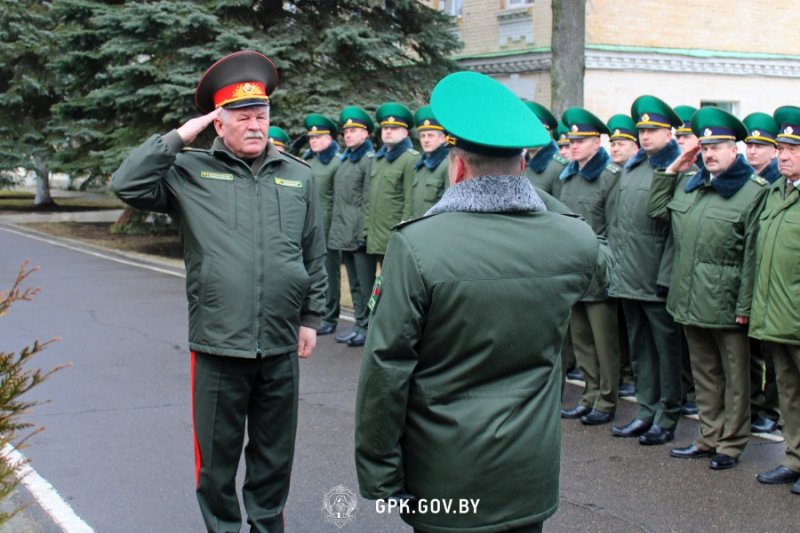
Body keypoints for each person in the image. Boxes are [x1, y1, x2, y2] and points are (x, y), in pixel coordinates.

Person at [354, 71, 611, 533]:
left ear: (457, 166)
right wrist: (529, 193)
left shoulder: (418, 244)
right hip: (528, 476)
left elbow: (386, 367)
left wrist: (381, 478)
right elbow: (603, 263)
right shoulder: (572, 238)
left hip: (445, 477)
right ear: (524, 165)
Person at [111, 51, 326, 532]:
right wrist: (183, 133)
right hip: (218, 342)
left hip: (279, 342)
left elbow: (315, 251)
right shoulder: (189, 172)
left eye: (262, 116)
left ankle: (267, 527)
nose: (255, 126)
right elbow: (127, 184)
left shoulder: (298, 176)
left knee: (274, 456)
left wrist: (312, 318)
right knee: (216, 462)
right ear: (219, 124)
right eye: (242, 117)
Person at [647, 108, 768, 469]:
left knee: (736, 379)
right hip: (690, 299)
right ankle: (708, 436)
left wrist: (745, 305)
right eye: (705, 147)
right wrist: (672, 169)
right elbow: (656, 211)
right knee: (704, 375)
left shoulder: (752, 192)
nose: (710, 154)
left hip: (728, 303)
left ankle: (731, 444)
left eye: (718, 147)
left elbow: (752, 257)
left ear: (736, 150)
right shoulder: (693, 185)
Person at [609, 96, 686, 446]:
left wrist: (666, 278)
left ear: (669, 134)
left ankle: (668, 415)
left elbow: (674, 230)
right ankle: (645, 410)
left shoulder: (681, 170)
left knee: (666, 352)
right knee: (641, 349)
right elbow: (617, 222)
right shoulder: (632, 169)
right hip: (629, 275)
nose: (645, 136)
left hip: (656, 277)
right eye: (641, 130)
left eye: (652, 130)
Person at [558, 107, 621, 426]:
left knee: (604, 341)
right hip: (572, 266)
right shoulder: (568, 176)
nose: (575, 145)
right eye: (572, 140)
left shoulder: (609, 178)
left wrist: (611, 271)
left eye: (582, 140)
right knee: (581, 338)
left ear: (597, 143)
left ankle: (607, 399)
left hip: (599, 268)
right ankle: (589, 393)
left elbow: (614, 229)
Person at [751, 105, 800, 493]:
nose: (784, 156)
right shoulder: (774, 194)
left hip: (797, 315)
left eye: (793, 149)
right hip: (777, 315)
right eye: (781, 148)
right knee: (788, 394)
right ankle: (795, 459)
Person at [742, 111, 782, 434]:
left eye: (761, 145)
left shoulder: (775, 183)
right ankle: (755, 403)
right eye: (749, 145)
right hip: (752, 276)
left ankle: (771, 407)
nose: (752, 151)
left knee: (773, 352)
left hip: (775, 282)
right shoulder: (745, 179)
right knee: (752, 348)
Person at [328, 107, 378, 348]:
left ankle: (368, 327)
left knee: (367, 285)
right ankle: (358, 325)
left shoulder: (368, 160)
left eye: (354, 131)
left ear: (365, 134)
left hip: (358, 233)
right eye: (346, 131)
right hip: (344, 233)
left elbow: (368, 199)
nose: (348, 135)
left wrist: (363, 232)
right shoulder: (346, 159)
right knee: (356, 284)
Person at [606, 113, 639, 397]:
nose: (615, 148)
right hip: (619, 264)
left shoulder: (626, 177)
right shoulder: (617, 175)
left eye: (622, 143)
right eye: (613, 143)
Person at [303, 114, 342, 336]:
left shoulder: (337, 162)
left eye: (319, 137)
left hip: (327, 225)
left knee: (329, 272)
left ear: (329, 138)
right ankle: (312, 312)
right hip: (308, 226)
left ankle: (330, 315)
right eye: (312, 137)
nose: (314, 141)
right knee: (309, 271)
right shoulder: (308, 161)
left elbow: (339, 199)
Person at [365, 102, 418, 264]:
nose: (388, 131)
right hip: (375, 234)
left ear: (404, 133)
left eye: (393, 128)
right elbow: (371, 196)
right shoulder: (378, 159)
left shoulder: (410, 158)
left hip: (394, 234)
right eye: (385, 128)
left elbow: (410, 200)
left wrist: (403, 233)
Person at [522, 101, 569, 198]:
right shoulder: (518, 164)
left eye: (534, 132)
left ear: (546, 133)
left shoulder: (558, 167)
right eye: (526, 130)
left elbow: (563, 209)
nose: (529, 136)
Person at [410, 105, 449, 218]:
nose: (426, 140)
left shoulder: (446, 165)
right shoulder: (420, 166)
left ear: (442, 139)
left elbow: (449, 207)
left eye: (430, 135)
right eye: (423, 136)